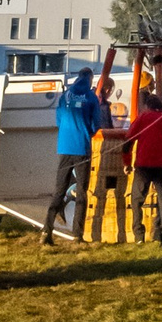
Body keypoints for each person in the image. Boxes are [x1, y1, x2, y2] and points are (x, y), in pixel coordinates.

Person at [43, 60, 108, 249]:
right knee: (81, 191)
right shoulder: (90, 97)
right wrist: (88, 131)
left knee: (59, 190)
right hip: (82, 148)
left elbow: (58, 120)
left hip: (64, 147)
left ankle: (46, 230)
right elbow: (97, 124)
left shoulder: (65, 96)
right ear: (89, 79)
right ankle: (77, 234)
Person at [122, 77, 162, 245]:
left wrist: (127, 163)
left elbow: (128, 141)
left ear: (147, 106)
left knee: (137, 200)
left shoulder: (143, 118)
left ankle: (139, 235)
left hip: (144, 164)